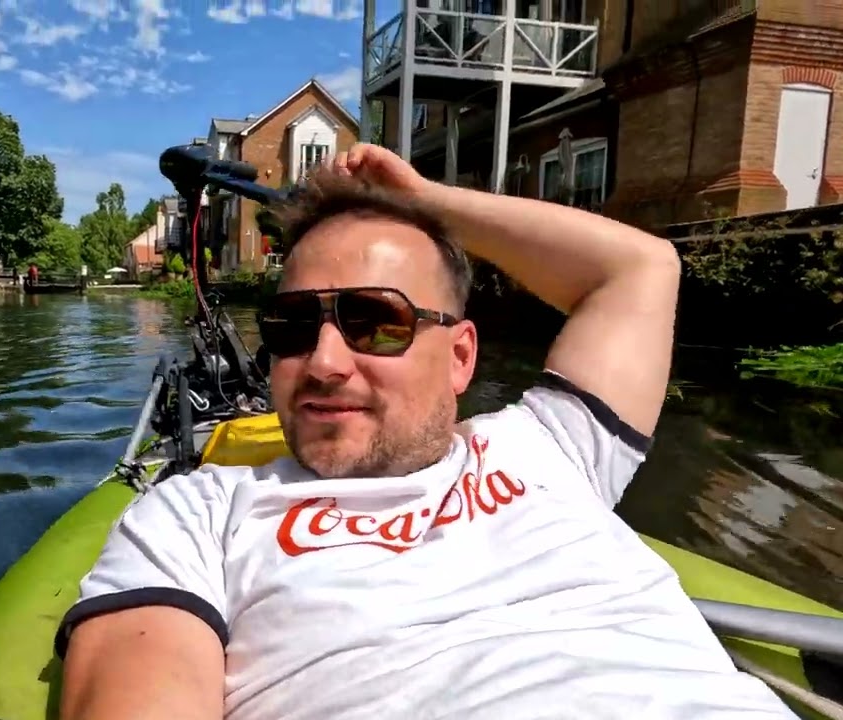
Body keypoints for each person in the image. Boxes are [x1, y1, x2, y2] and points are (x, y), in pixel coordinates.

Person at [53, 144, 797, 719]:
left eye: (376, 323)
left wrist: (424, 201)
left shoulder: (549, 446)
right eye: (292, 326)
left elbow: (639, 266)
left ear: (462, 357)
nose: (325, 362)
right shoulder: (198, 514)